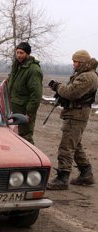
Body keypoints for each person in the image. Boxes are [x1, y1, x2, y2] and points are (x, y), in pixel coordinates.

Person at [47, 50, 98, 190]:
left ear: (81, 62)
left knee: (66, 147)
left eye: (75, 61)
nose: (73, 64)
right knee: (75, 145)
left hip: (76, 115)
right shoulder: (84, 75)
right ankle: (86, 173)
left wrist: (57, 86)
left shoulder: (87, 76)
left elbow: (71, 93)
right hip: (76, 113)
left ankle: (62, 178)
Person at [7, 42, 43, 144]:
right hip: (15, 108)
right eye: (17, 52)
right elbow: (11, 81)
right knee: (14, 137)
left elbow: (36, 95)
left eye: (21, 53)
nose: (18, 55)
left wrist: (29, 113)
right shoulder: (17, 65)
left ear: (27, 54)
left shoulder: (33, 70)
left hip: (25, 111)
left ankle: (32, 159)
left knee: (25, 138)